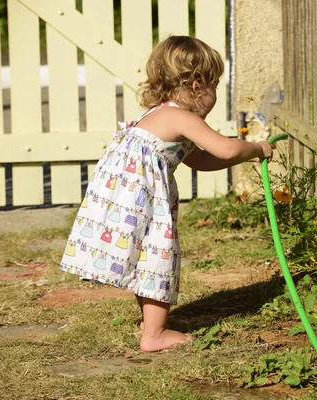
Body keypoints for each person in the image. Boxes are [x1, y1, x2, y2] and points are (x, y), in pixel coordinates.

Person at [60, 36, 273, 352]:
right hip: (138, 196)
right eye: (214, 84)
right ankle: (155, 335)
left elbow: (201, 159)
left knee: (148, 254)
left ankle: (152, 323)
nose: (215, 93)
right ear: (198, 85)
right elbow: (226, 148)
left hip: (125, 196)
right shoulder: (180, 117)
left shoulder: (161, 115)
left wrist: (243, 155)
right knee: (159, 254)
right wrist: (256, 147)